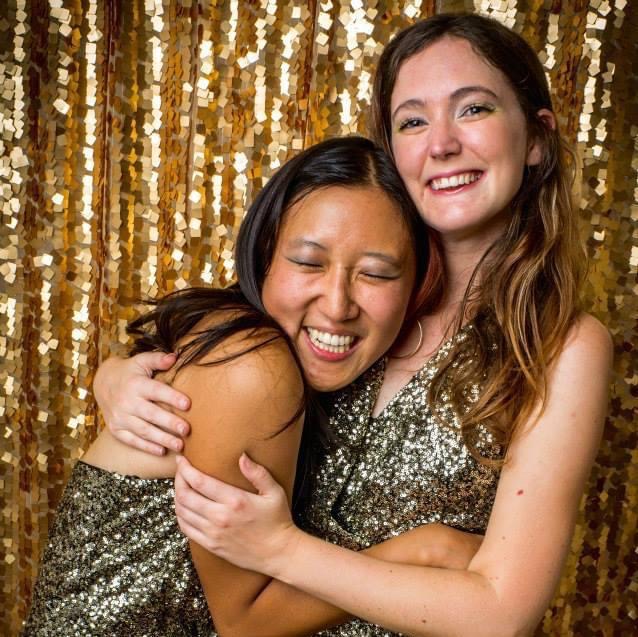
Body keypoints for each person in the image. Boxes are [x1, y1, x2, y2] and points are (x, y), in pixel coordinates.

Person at [94, 13, 612, 637]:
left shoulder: (563, 345)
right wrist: (116, 378)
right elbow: (227, 348)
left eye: (473, 109)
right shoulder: (350, 288)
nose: (441, 143)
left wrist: (282, 549)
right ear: (391, 150)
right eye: (413, 120)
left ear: (535, 138)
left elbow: (501, 614)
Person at [24, 137, 483, 637]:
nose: (337, 305)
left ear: (417, 283)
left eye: (375, 274)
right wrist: (428, 548)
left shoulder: (311, 367)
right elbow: (245, 624)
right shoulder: (251, 365)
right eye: (309, 263)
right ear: (264, 255)